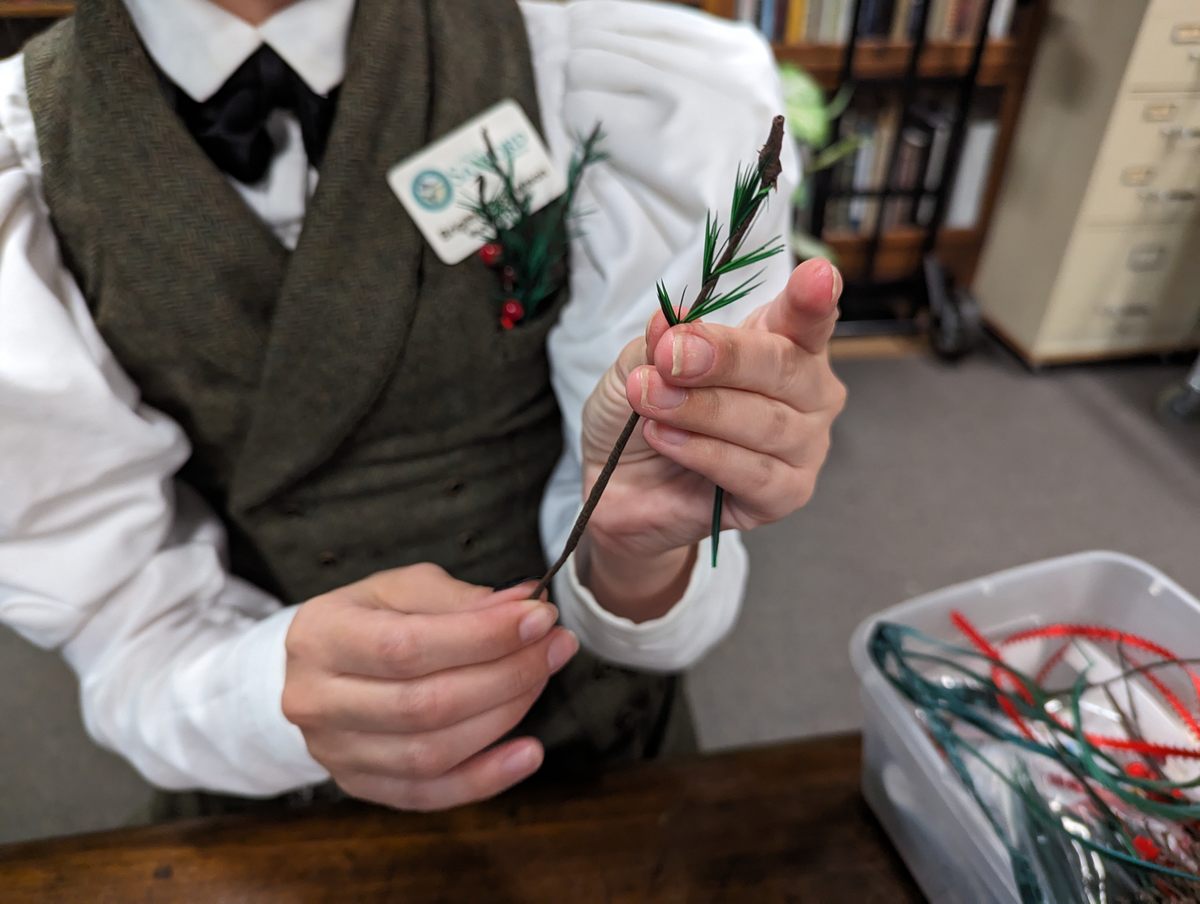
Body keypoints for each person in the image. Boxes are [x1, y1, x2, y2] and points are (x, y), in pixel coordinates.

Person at [0, 0, 846, 816]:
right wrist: (262, 699)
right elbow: (120, 621)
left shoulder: (604, 82)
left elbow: (657, 548)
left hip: (593, 756)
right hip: (271, 788)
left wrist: (635, 553)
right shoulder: (28, 165)